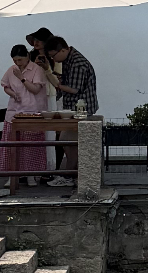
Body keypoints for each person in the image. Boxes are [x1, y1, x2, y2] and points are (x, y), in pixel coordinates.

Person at [43, 36, 95, 186]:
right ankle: (73, 174)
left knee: (69, 141)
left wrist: (56, 84)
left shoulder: (78, 64)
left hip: (82, 109)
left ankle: (69, 175)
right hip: (74, 108)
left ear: (64, 49)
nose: (54, 59)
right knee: (66, 141)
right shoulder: (68, 59)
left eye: (54, 55)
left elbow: (74, 89)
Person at [0, 45, 48, 187]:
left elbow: (36, 89)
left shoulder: (37, 70)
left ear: (27, 57)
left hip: (33, 112)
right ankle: (12, 176)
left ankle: (31, 175)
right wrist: (13, 94)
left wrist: (22, 78)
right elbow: (5, 86)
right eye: (15, 60)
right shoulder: (11, 70)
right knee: (12, 146)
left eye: (20, 60)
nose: (18, 63)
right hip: (14, 112)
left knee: (30, 146)